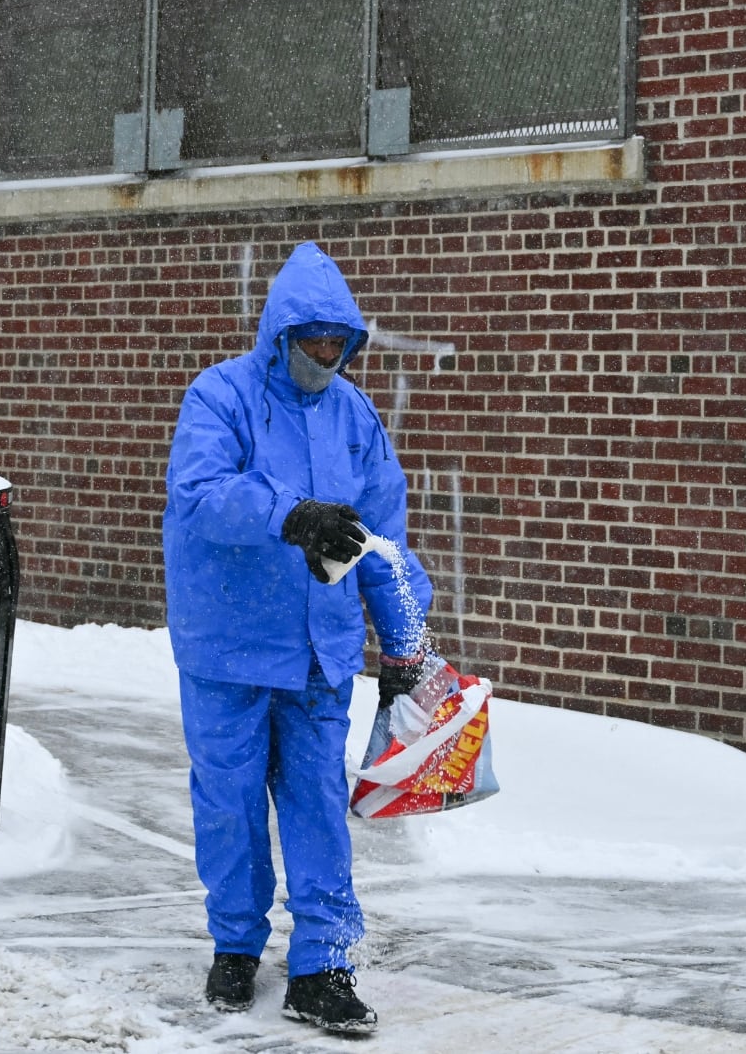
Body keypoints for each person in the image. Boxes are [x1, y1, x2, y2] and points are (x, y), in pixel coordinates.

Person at [162, 239, 438, 1035]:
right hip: (228, 648)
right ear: (279, 333)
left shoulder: (355, 416)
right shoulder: (221, 397)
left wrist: (405, 642)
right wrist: (290, 512)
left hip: (319, 651)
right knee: (231, 801)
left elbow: (385, 538)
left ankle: (324, 964)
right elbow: (203, 493)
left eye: (337, 341)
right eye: (312, 338)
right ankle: (237, 945)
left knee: (317, 804)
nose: (326, 353)